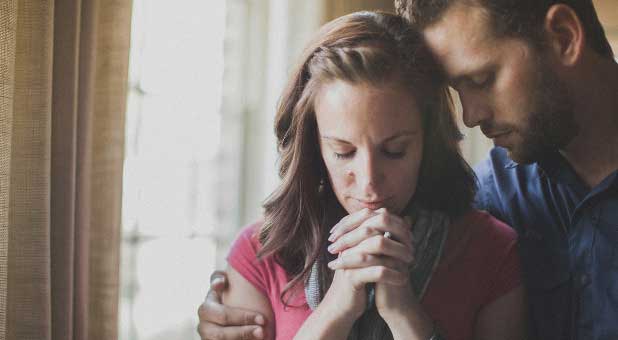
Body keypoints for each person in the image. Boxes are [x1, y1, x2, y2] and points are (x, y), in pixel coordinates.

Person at [198, 1, 618, 340]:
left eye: (483, 78)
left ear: (563, 37)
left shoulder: (493, 233)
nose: (470, 117)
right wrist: (227, 299)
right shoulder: (502, 191)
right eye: (343, 151)